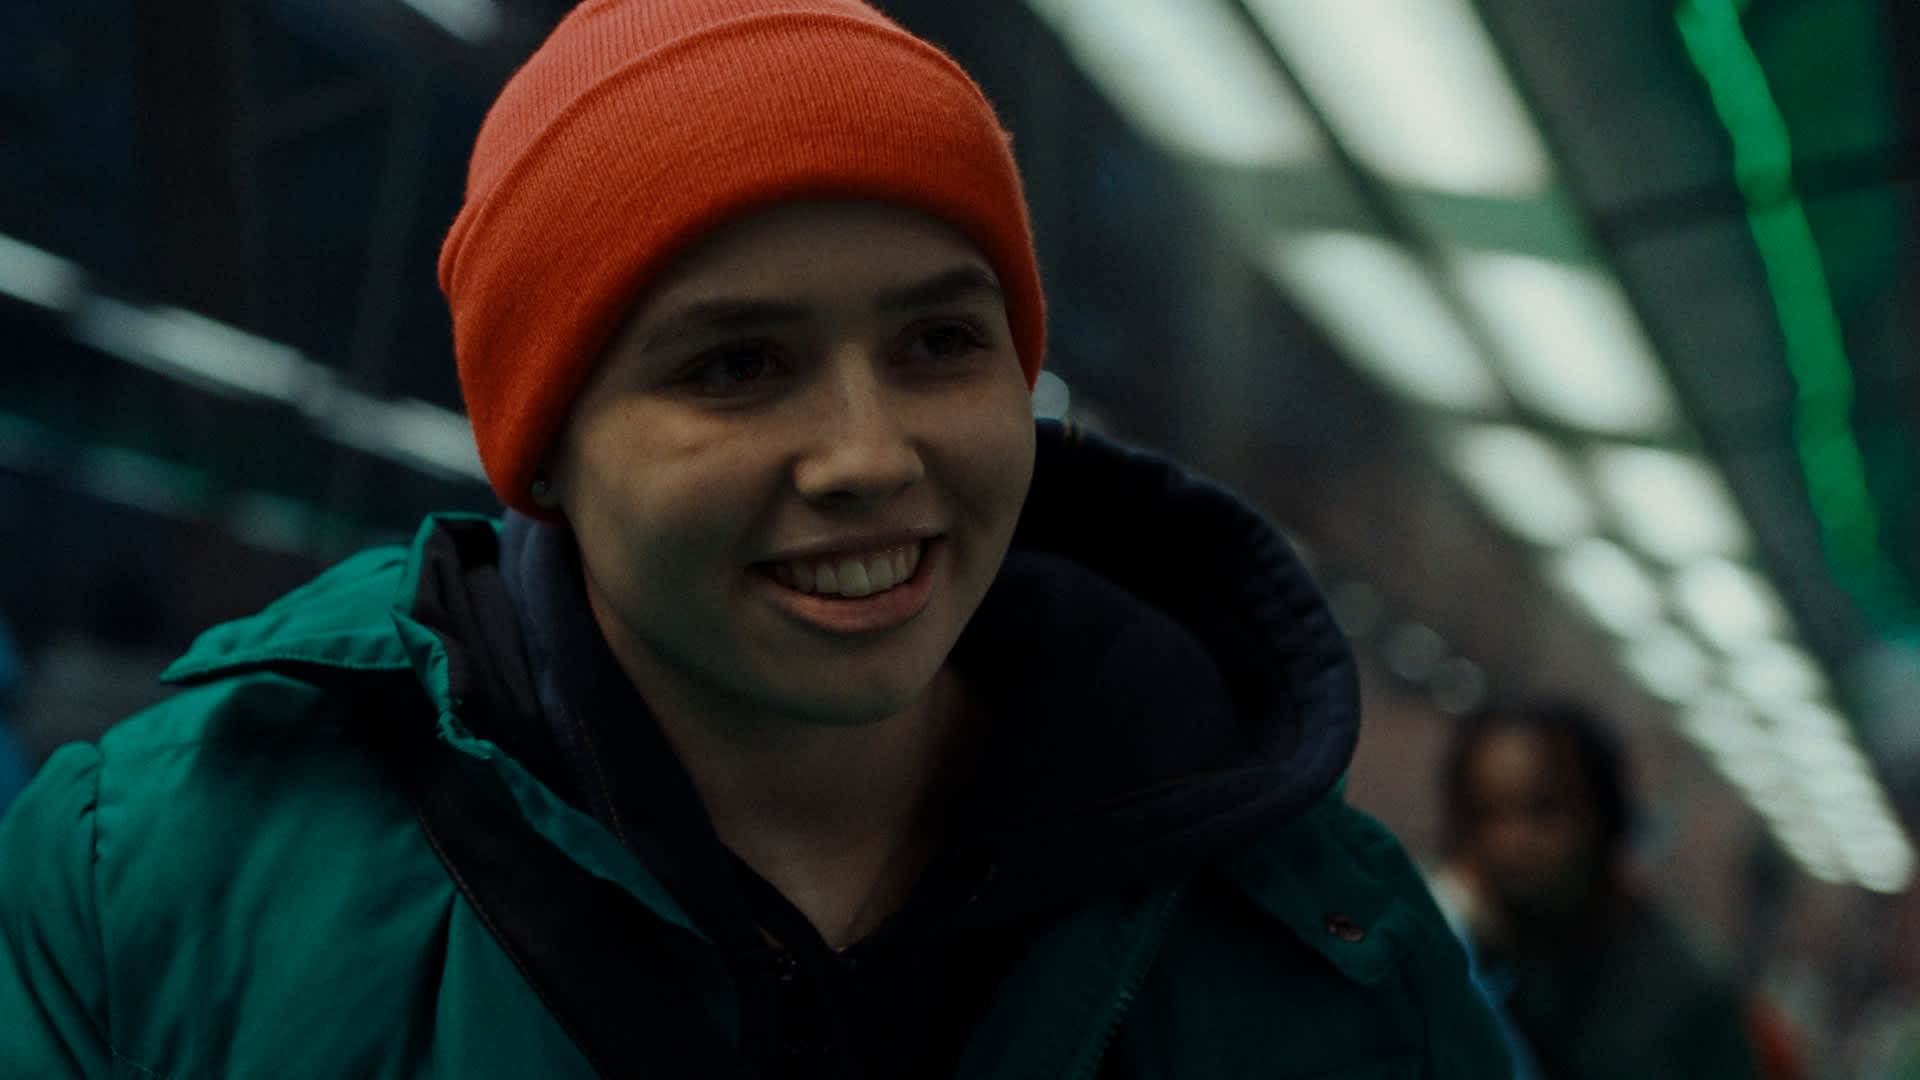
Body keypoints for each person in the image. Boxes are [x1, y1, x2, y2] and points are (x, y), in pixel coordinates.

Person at [0, 1, 1511, 1075]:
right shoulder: (156, 886)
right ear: (547, 451)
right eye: (735, 365)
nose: (869, 455)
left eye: (941, 342)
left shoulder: (1325, 944)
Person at [1433, 699, 1761, 1080]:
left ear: (1605, 820)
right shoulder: (1465, 952)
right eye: (1485, 814)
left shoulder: (1688, 992)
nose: (1511, 842)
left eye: (1545, 810)